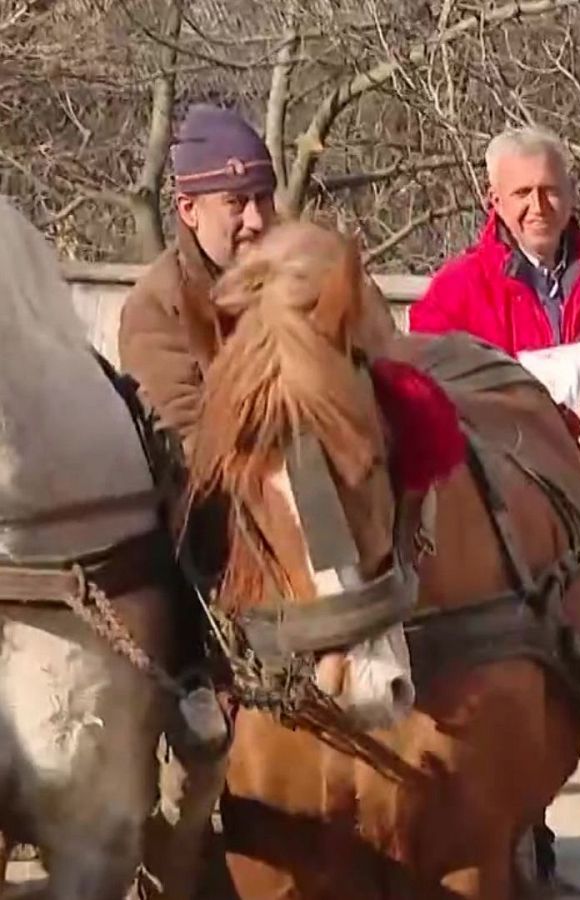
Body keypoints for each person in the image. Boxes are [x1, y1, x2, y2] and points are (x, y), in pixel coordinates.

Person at [117, 102, 396, 900]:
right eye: (234, 203)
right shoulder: (159, 304)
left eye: (264, 197)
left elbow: (374, 360)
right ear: (188, 210)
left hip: (317, 508)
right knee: (177, 676)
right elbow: (190, 444)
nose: (254, 219)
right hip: (211, 531)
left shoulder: (303, 270)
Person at [409, 125, 580, 354]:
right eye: (522, 193)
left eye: (550, 191)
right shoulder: (455, 292)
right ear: (496, 201)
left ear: (570, 193)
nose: (538, 207)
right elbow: (425, 383)